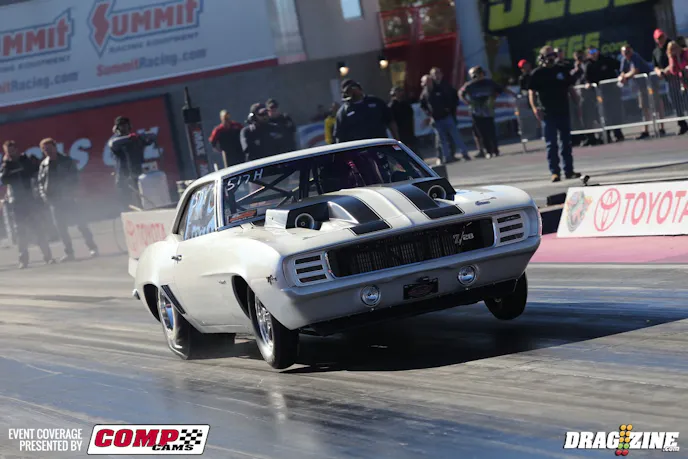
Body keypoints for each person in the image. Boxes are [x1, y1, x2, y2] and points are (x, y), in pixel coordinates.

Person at [37, 138, 98, 262]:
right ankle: (69, 252)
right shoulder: (44, 164)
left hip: (69, 198)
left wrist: (71, 192)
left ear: (55, 147)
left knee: (81, 223)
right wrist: (44, 196)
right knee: (61, 228)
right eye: (45, 149)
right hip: (54, 201)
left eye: (50, 148)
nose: (48, 151)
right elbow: (40, 183)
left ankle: (92, 247)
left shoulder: (66, 160)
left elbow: (75, 178)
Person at [528, 45, 582, 182]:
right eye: (548, 55)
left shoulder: (562, 70)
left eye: (553, 55)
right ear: (542, 58)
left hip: (563, 110)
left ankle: (569, 171)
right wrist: (534, 108)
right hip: (547, 113)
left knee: (566, 142)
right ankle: (555, 172)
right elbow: (531, 92)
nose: (551, 58)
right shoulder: (537, 73)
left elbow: (570, 88)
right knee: (551, 143)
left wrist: (578, 104)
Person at [0, 140, 55, 268]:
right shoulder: (6, 165)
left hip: (30, 199)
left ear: (16, 150)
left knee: (38, 228)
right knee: (20, 232)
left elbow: (36, 172)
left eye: (13, 150)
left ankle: (48, 256)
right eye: (8, 152)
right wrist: (7, 165)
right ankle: (23, 260)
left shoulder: (25, 160)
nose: (11, 153)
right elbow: (3, 179)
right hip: (16, 202)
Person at [459, 66, 515, 159]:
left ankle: (495, 150)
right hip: (476, 112)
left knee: (491, 131)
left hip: (488, 111)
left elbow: (501, 89)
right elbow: (461, 93)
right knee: (482, 133)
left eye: (478, 74)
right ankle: (488, 151)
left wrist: (513, 94)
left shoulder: (489, 83)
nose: (477, 76)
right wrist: (467, 102)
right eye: (474, 75)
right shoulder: (469, 85)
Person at [420, 67, 470, 163]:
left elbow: (453, 97)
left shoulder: (443, 87)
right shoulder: (425, 92)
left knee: (456, 136)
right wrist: (429, 113)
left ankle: (464, 153)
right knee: (442, 140)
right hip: (436, 119)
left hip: (447, 116)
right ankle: (446, 157)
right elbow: (423, 104)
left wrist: (449, 108)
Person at [108, 116, 157, 209]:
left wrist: (141, 136)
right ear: (117, 128)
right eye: (121, 126)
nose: (124, 128)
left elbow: (153, 136)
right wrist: (130, 138)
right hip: (124, 178)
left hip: (138, 176)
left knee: (142, 203)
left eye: (125, 125)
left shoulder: (136, 138)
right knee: (127, 205)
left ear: (129, 126)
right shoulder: (117, 141)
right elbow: (112, 144)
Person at [333, 79, 399, 143]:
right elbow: (339, 135)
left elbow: (390, 121)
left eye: (354, 88)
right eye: (349, 91)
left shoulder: (376, 102)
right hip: (360, 147)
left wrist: (396, 139)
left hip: (380, 143)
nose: (353, 92)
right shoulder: (343, 112)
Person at [618, 45, 660, 139]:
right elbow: (622, 72)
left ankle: (661, 128)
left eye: (628, 52)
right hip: (641, 86)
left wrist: (625, 77)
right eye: (625, 53)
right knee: (644, 106)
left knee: (656, 104)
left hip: (650, 83)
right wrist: (621, 76)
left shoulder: (635, 57)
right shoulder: (624, 60)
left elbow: (635, 70)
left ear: (631, 50)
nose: (627, 54)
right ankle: (646, 130)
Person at [585, 47, 625, 143]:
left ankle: (618, 133)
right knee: (604, 114)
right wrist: (588, 84)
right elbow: (587, 78)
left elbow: (620, 66)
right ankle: (606, 135)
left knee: (615, 112)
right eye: (591, 52)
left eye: (594, 51)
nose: (593, 53)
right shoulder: (589, 65)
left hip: (613, 91)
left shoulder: (606, 60)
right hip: (600, 94)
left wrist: (621, 75)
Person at [652, 29, 688, 135]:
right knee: (674, 101)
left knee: (685, 99)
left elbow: (677, 64)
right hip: (670, 80)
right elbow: (656, 65)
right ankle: (682, 124)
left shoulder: (672, 44)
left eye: (662, 36)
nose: (661, 39)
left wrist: (667, 69)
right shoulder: (656, 51)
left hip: (681, 78)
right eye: (659, 38)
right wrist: (659, 71)